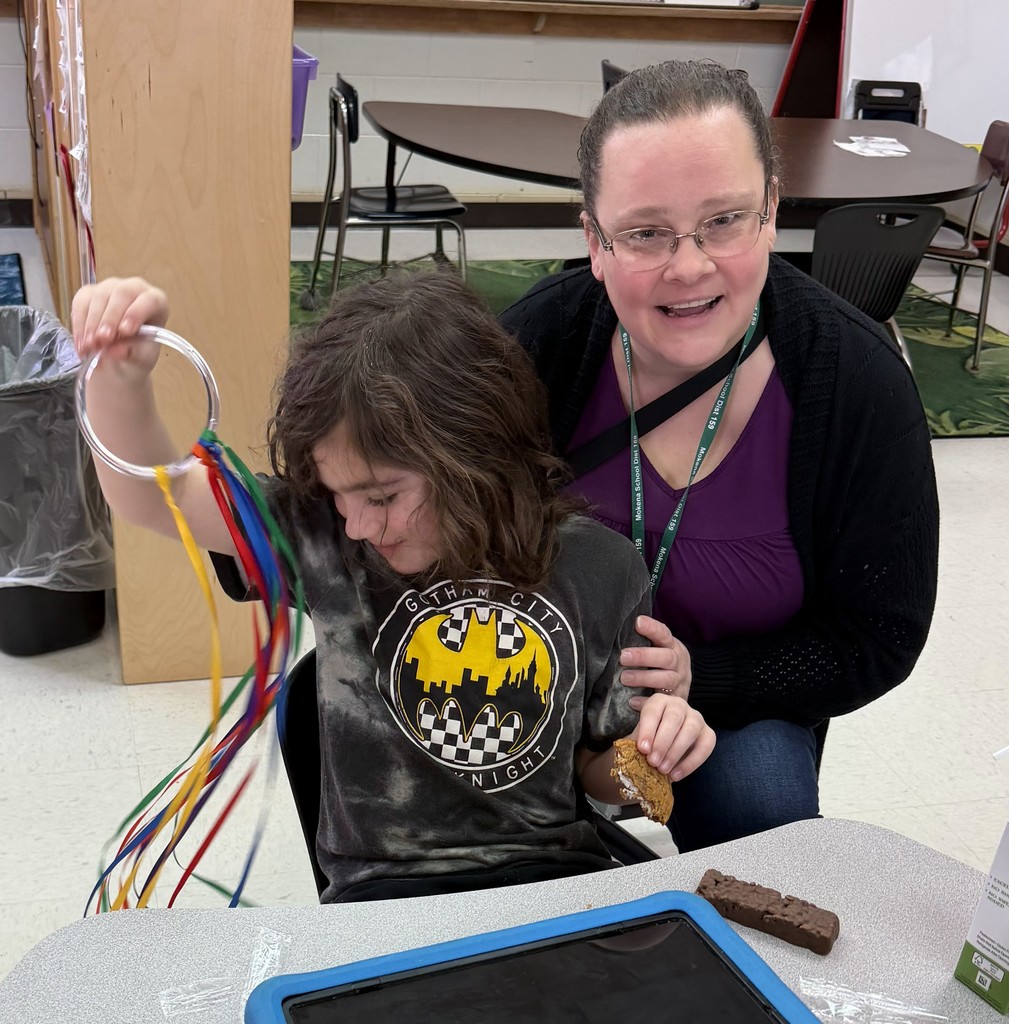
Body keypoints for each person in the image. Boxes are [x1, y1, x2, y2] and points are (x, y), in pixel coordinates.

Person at [71, 270, 715, 903]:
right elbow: (153, 495)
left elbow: (600, 776)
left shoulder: (601, 568)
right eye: (338, 494)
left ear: (473, 458)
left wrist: (651, 757)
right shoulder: (327, 538)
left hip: (550, 883)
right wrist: (119, 378)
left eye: (381, 497)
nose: (356, 523)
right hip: (381, 896)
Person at [499, 59, 939, 853]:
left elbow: (878, 637)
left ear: (770, 211)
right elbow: (406, 507)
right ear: (593, 241)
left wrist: (703, 676)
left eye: (724, 221)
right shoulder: (536, 346)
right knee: (330, 709)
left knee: (759, 799)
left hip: (725, 701)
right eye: (645, 232)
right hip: (534, 673)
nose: (689, 266)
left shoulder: (856, 382)